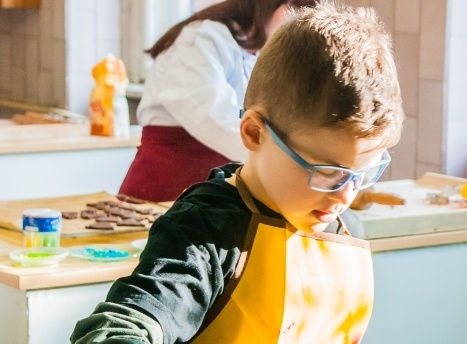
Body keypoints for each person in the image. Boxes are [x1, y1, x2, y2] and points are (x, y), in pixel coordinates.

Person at [71, 2, 403, 344]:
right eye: (326, 172)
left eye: (364, 172)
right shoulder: (206, 231)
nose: (345, 195)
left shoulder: (340, 227)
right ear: (253, 132)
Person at [118, 0, 317, 203]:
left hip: (211, 193)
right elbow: (215, 120)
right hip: (164, 189)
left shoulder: (255, 53)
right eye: (298, 11)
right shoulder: (200, 38)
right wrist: (286, 165)